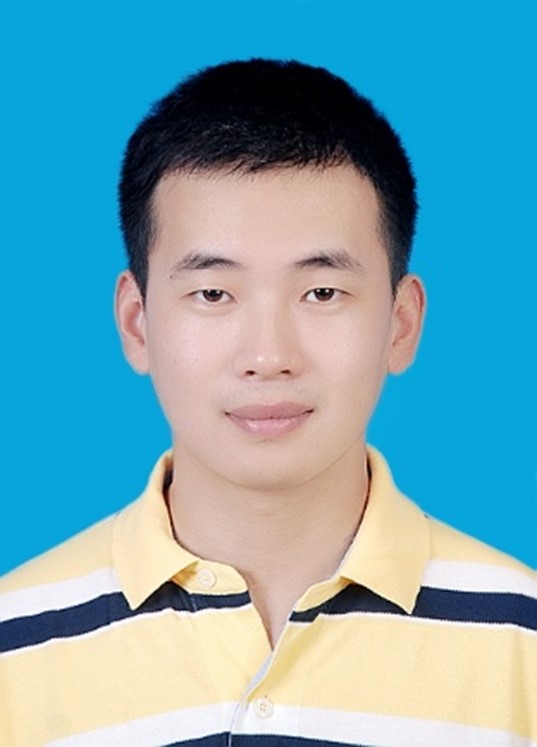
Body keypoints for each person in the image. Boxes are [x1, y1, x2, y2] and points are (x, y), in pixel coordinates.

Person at [0, 58, 535, 747]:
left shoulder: (521, 643)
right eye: (213, 293)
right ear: (137, 324)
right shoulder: (15, 645)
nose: (268, 354)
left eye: (321, 292)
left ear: (400, 325)